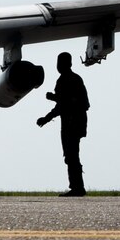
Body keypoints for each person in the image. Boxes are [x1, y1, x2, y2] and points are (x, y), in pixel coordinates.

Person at [35, 51, 89, 196]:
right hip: (74, 122)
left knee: (71, 155)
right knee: (72, 155)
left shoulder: (66, 80)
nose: (58, 66)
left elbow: (68, 104)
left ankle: (77, 188)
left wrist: (53, 100)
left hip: (71, 123)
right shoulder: (75, 79)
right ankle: (77, 186)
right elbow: (70, 104)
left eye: (60, 63)